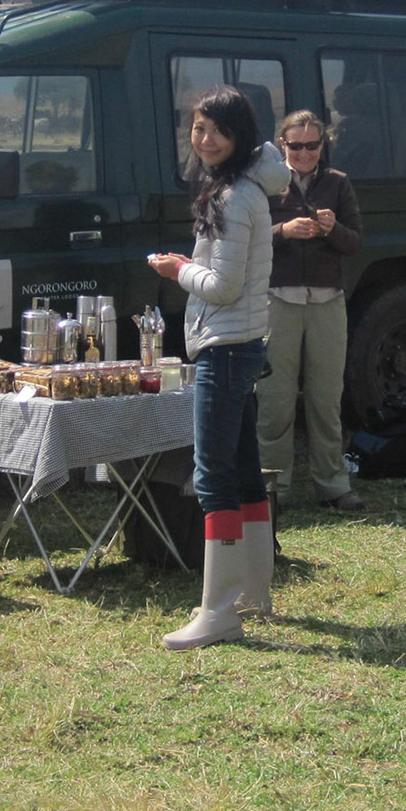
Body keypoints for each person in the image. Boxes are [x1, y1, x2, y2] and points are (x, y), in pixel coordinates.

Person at [148, 87, 289, 649]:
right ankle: (254, 591)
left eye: (215, 131)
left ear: (239, 137)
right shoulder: (241, 189)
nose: (203, 139)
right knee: (244, 467)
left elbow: (225, 286)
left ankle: (218, 610)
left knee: (212, 474)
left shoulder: (234, 197)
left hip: (226, 347)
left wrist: (177, 268)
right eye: (197, 127)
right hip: (239, 344)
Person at [257, 110, 365, 513]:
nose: (303, 153)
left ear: (324, 145)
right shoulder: (267, 185)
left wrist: (331, 229)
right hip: (278, 300)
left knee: (325, 398)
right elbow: (248, 239)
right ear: (282, 144)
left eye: (312, 145)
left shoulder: (337, 184)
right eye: (295, 145)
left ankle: (333, 485)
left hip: (326, 302)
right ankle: (272, 487)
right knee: (274, 398)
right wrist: (282, 232)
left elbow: (355, 242)